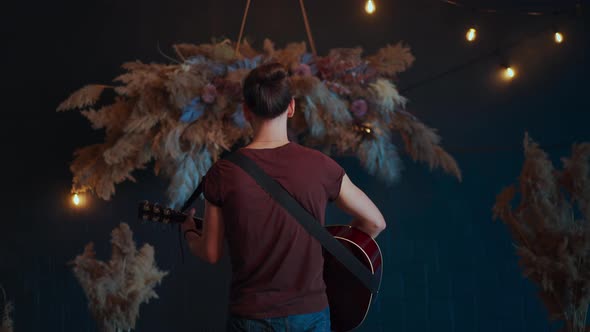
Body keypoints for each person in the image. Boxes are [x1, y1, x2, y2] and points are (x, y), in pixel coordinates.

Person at [181, 62, 386, 331]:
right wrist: (335, 255)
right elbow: (375, 223)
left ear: (246, 111)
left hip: (250, 317)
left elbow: (210, 252)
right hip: (311, 317)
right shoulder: (321, 166)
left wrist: (188, 231)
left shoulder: (224, 173)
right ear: (290, 107)